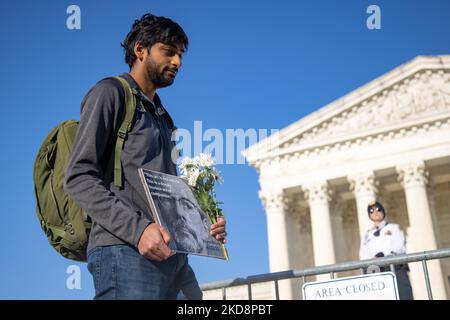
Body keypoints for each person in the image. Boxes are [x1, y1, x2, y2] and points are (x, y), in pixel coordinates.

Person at [64, 13, 227, 300]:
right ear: (140, 50)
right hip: (124, 252)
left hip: (174, 258)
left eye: (180, 55)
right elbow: (78, 177)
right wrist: (139, 231)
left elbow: (165, 194)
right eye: (168, 51)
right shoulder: (109, 93)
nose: (177, 62)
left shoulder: (163, 117)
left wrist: (203, 223)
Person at [359, 201, 413, 300]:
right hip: (376, 270)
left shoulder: (394, 228)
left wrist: (385, 256)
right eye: (371, 211)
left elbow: (399, 247)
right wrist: (372, 260)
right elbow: (363, 254)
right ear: (369, 215)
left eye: (378, 209)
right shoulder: (367, 235)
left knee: (403, 295)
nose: (375, 212)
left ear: (383, 212)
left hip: (395, 268)